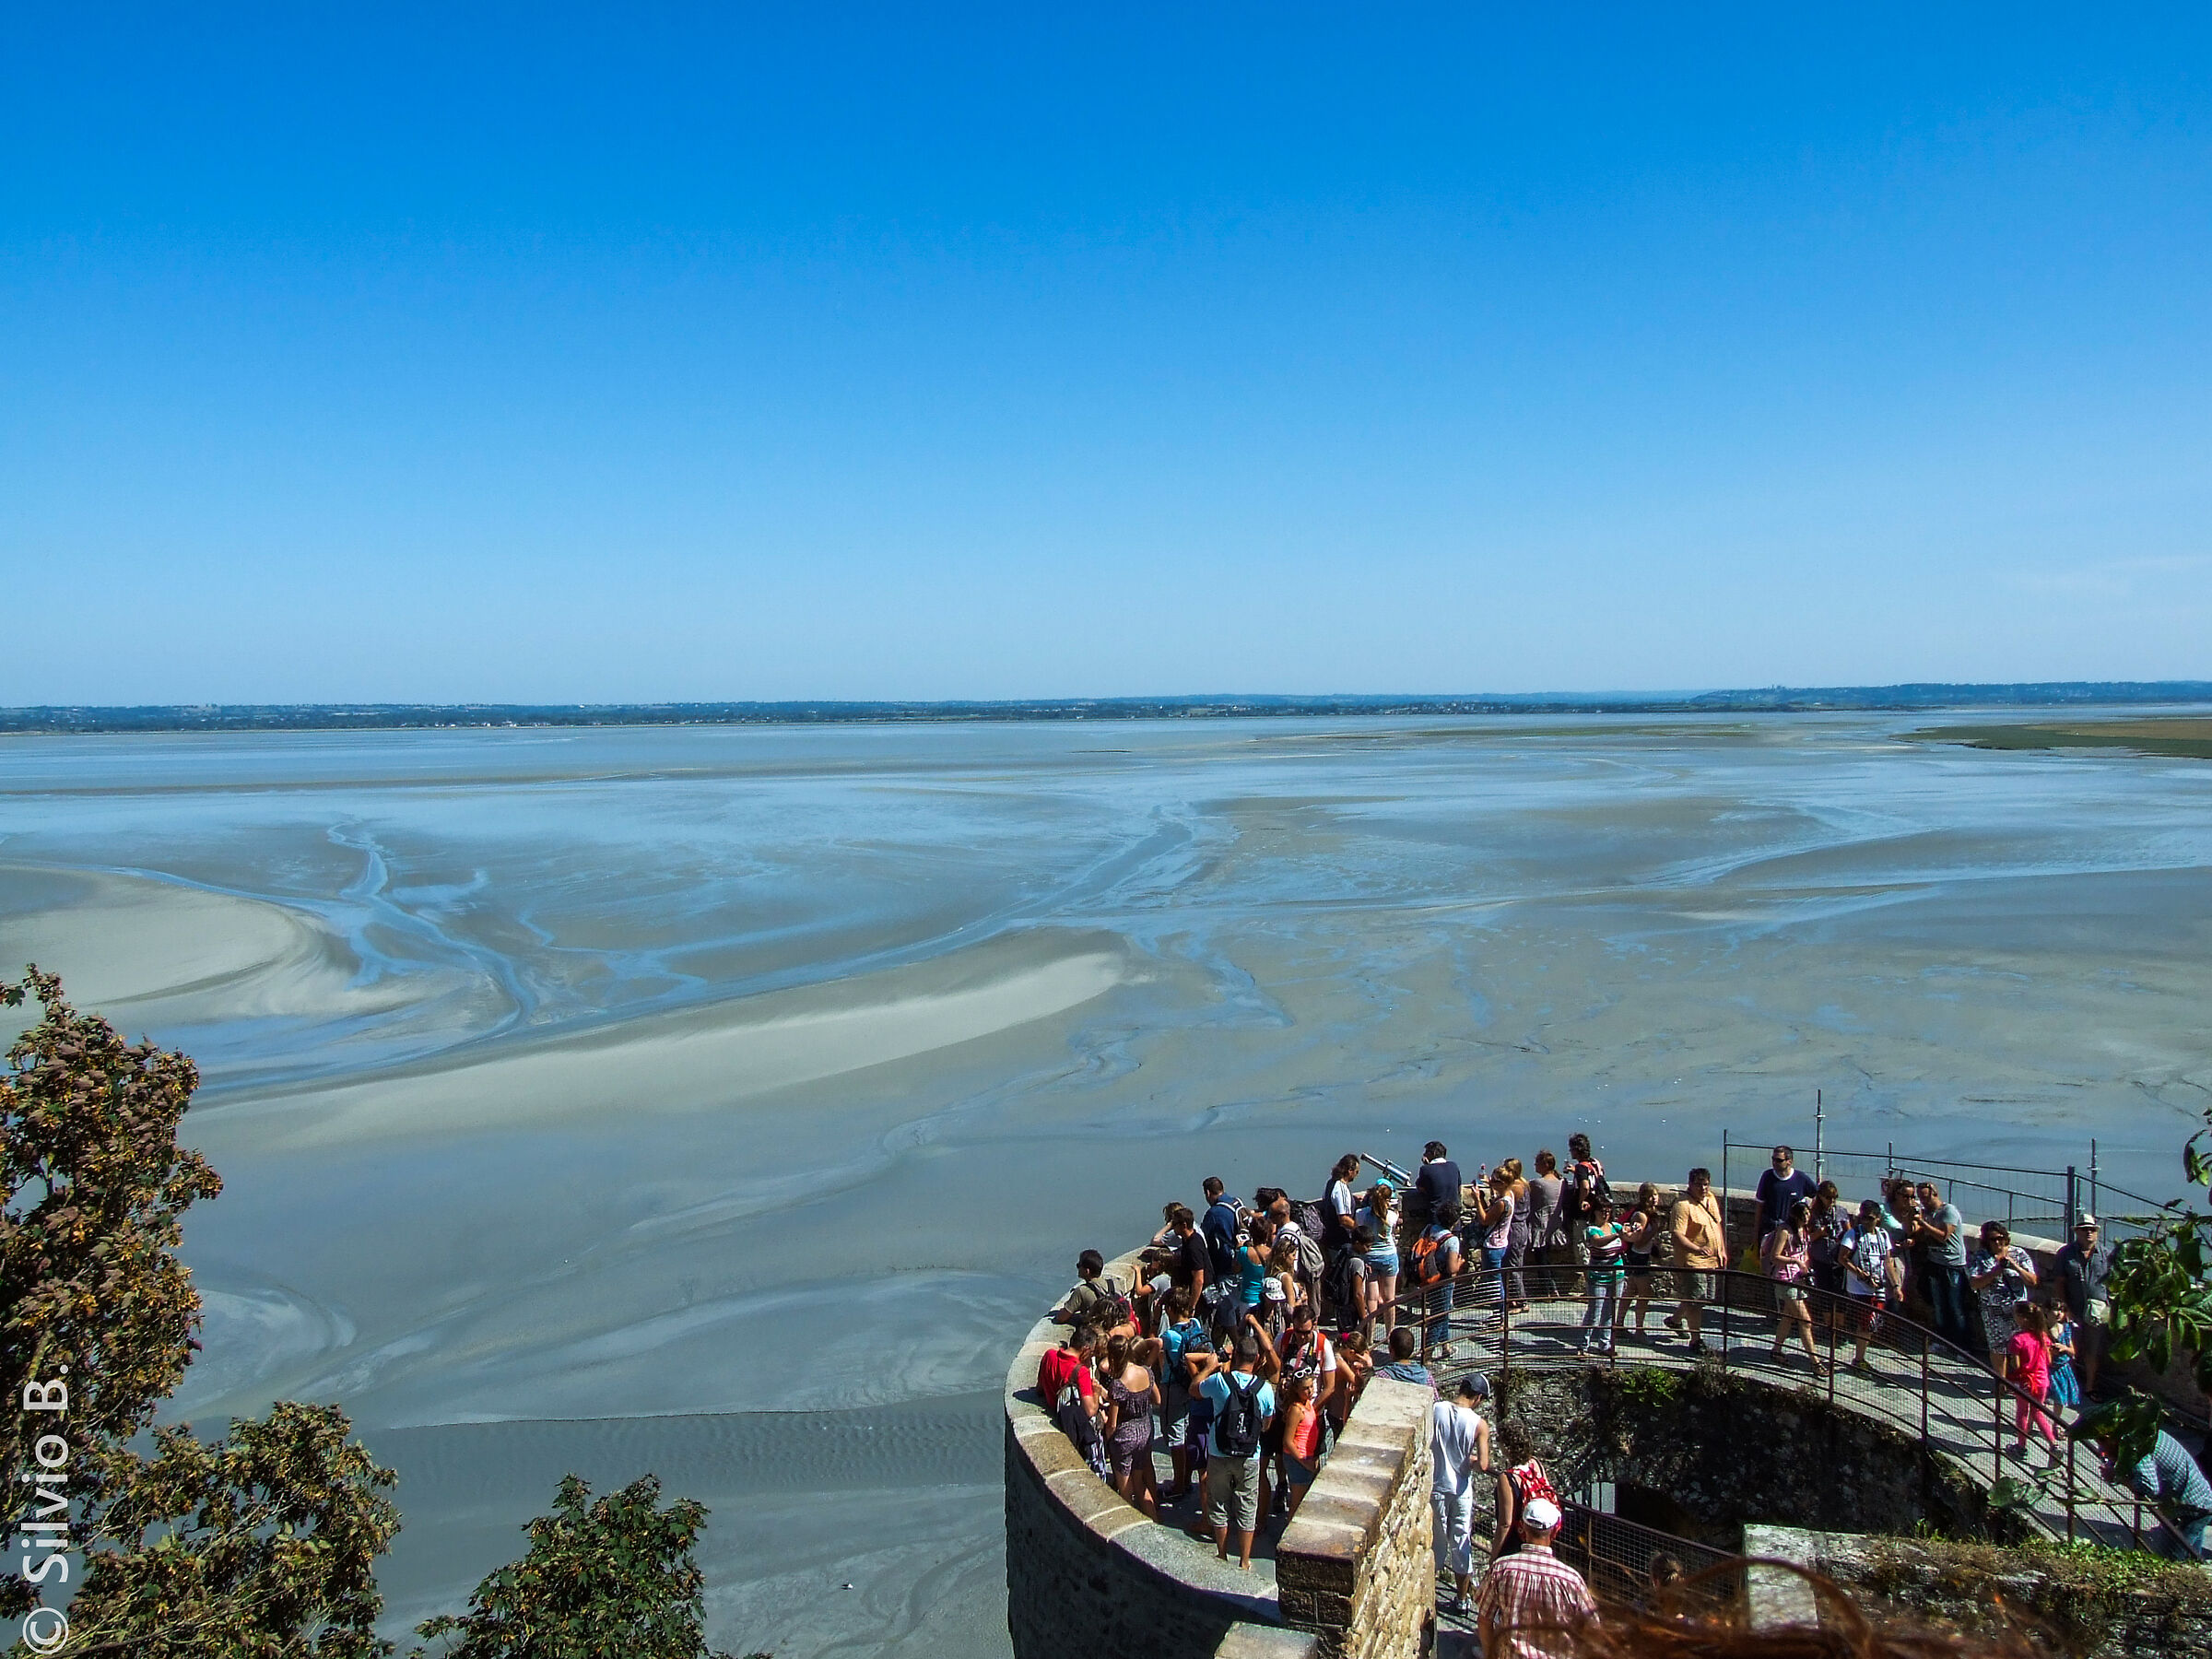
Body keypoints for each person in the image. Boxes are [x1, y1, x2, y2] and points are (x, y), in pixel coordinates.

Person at [1472, 1496, 1599, 1659]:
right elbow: (1594, 1629)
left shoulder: (1501, 1569)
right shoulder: (1571, 1580)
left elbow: (1484, 1620)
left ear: (1522, 1527)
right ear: (1555, 1530)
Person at [2083, 1411, 2212, 1560]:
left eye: (2101, 1443)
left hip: (2191, 1509)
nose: (2102, 1451)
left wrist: (2118, 1477)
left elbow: (2150, 1487)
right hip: (2194, 1502)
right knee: (2192, 1559)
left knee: (2172, 1561)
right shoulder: (2138, 1432)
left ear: (2110, 1437)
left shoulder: (2137, 1446)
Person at [1197, 1335, 1277, 1570]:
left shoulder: (1219, 1382)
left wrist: (1209, 1368)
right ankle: (1244, 1560)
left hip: (1219, 1452)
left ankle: (1222, 1555)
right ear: (1257, 1359)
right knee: (1247, 1507)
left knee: (1219, 1504)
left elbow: (1194, 1389)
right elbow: (1267, 1424)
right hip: (1250, 1455)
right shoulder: (1265, 1389)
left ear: (1236, 1356)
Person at [1430, 1373, 1492, 1616]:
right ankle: (1462, 1600)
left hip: (1437, 1485)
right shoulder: (1479, 1424)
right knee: (1461, 1541)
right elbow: (1484, 1465)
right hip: (1461, 1489)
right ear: (1478, 1398)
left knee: (1436, 1542)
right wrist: (1470, 1460)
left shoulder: (1437, 1409)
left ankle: (1428, 1593)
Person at [1761, 1197, 1827, 1373]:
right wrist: (1795, 1262)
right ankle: (1815, 1362)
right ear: (1795, 1215)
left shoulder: (1802, 1230)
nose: (1807, 1217)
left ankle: (1776, 1350)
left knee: (1788, 1317)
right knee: (1805, 1321)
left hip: (1798, 1279)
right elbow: (1775, 1256)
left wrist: (1805, 1266)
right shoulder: (1784, 1231)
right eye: (1803, 1215)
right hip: (1785, 1280)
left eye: (1808, 1214)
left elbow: (1803, 1251)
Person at [1158, 1288, 1210, 1500]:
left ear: (1171, 1309)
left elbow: (1159, 1357)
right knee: (1187, 1432)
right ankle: (1186, 1479)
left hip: (1174, 1389)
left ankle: (1178, 1485)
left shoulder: (1169, 1336)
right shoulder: (1195, 1324)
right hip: (1193, 1385)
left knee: (1175, 1437)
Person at [1102, 1332, 1163, 1514]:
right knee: (1140, 1484)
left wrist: (1107, 1439)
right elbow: (1157, 1400)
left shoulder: (1118, 1384)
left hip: (1125, 1437)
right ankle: (1155, 1520)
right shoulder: (1146, 1372)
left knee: (1126, 1491)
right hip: (1145, 1430)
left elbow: (1112, 1424)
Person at [2053, 1213, 2112, 1396]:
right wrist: (2064, 1308)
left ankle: (2089, 1387)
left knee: (2092, 1351)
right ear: (2077, 1232)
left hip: (2097, 1312)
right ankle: (2068, 1385)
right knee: (2069, 1348)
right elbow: (2060, 1282)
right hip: (2073, 1309)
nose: (2089, 1233)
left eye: (2092, 1229)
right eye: (2085, 1229)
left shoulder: (2106, 1255)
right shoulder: (2065, 1254)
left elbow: (2114, 1282)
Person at [1670, 1168, 1725, 1357]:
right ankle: (1695, 1340)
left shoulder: (1710, 1199)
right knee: (1696, 1301)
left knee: (1704, 1297)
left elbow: (1717, 1224)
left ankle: (1675, 1320)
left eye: (1706, 1184)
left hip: (1711, 1260)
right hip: (1693, 1261)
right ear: (1690, 1184)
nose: (1703, 1188)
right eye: (1699, 1184)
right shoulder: (1682, 1205)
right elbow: (1677, 1235)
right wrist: (1696, 1249)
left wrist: (1722, 1249)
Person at [1911, 1182, 1971, 1350]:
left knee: (1956, 1307)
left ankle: (1962, 1346)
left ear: (1934, 1193)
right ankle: (1942, 1340)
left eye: (1925, 1197)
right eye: (1920, 1198)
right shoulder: (1926, 1213)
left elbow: (1944, 1236)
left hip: (1952, 1265)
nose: (1923, 1201)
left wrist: (1923, 1223)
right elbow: (1916, 1233)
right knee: (1939, 1306)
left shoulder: (1948, 1211)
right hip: (1935, 1263)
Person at [1996, 1302, 2058, 1464]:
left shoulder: (2017, 1339)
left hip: (2026, 1382)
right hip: (2042, 1381)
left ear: (2022, 1318)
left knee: (2022, 1413)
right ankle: (2053, 1444)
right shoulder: (2043, 1337)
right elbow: (2049, 1360)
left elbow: (2016, 1365)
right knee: (2038, 1413)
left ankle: (2021, 1446)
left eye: (2016, 1315)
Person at [1970, 1220, 2039, 1359]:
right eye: (1992, 1239)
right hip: (1994, 1312)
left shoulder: (2018, 1254)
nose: (1997, 1242)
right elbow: (1974, 1283)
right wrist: (1995, 1272)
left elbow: (2033, 1281)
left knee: (2022, 1346)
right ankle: (1999, 1374)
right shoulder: (1980, 1257)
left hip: (2019, 1311)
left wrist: (2015, 1267)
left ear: (2005, 1237)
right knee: (1998, 1350)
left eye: (2000, 1238)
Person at [1408, 1199, 1464, 1357]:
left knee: (1442, 1313)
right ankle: (1427, 1355)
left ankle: (1446, 1347)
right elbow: (1452, 1268)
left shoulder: (1428, 1229)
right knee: (1438, 1318)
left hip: (1427, 1280)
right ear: (1455, 1221)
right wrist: (1460, 1263)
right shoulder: (1452, 1240)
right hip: (1443, 1283)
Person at [1841, 1198, 1889, 1375]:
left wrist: (1896, 1285)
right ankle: (1858, 1360)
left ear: (1878, 1218)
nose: (1866, 1221)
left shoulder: (1883, 1235)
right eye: (1863, 1217)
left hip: (1878, 1287)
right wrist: (1861, 1274)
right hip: (1859, 1288)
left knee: (1871, 1324)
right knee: (1866, 1323)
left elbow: (1887, 1261)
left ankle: (1860, 1357)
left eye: (1869, 1218)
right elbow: (1843, 1258)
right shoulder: (1853, 1234)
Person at [1580, 1195, 1630, 1357]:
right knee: (1594, 1313)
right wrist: (1618, 1235)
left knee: (1610, 1312)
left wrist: (1636, 1230)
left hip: (1617, 1275)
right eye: (1602, 1211)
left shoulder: (1615, 1226)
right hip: (1598, 1277)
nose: (1606, 1214)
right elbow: (1598, 1242)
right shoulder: (1591, 1229)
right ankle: (1583, 1345)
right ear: (1595, 1212)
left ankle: (1605, 1344)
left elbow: (1631, 1238)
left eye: (1608, 1211)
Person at [1617, 1182, 1665, 1340]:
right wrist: (1654, 1230)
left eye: (1655, 1195)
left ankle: (1619, 1325)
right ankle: (1639, 1330)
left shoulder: (1648, 1214)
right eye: (1650, 1196)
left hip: (1639, 1256)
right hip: (1637, 1257)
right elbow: (1638, 1241)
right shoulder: (1641, 1216)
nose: (1654, 1198)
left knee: (1630, 1292)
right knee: (1644, 1294)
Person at [1561, 1134, 1608, 1285]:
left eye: (1571, 1149)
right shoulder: (1595, 1163)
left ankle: (1591, 1285)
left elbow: (1586, 1186)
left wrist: (1581, 1201)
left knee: (1582, 1246)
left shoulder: (1581, 1167)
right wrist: (1575, 1170)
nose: (1570, 1152)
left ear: (1577, 1150)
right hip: (1597, 1211)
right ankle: (1600, 1282)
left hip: (1584, 1214)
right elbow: (1594, 1178)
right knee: (1597, 1246)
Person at [1277, 1371, 1324, 1518]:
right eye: (1305, 1388)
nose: (1310, 1391)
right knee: (1297, 1505)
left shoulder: (1308, 1404)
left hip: (1307, 1457)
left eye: (1311, 1386)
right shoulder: (1296, 1410)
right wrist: (1304, 1462)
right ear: (1296, 1390)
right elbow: (1288, 1441)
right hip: (1297, 1459)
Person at [1473, 1167, 1516, 1321]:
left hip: (1493, 1246)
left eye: (1495, 1180)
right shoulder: (1509, 1195)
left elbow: (1485, 1220)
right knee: (1497, 1281)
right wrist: (1490, 1185)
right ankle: (1499, 1315)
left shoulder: (1502, 1203)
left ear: (1503, 1183)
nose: (1491, 1181)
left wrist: (1477, 1200)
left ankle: (1499, 1316)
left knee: (1494, 1284)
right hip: (1501, 1243)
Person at [1357, 1182, 1401, 1330]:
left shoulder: (1361, 1214)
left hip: (1369, 1257)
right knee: (1390, 1298)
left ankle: (1370, 1335)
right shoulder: (1392, 1216)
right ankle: (1390, 1334)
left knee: (1371, 1298)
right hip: (1389, 1256)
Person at [1753, 1146, 1817, 1245]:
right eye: (1773, 1159)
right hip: (1770, 1228)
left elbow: (1817, 1195)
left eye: (1779, 1160)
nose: (1774, 1163)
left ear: (1789, 1162)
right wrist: (1756, 1232)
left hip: (1792, 1231)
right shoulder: (1767, 1177)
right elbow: (1760, 1204)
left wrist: (1808, 1215)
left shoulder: (1801, 1178)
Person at [1527, 1150, 1567, 1301]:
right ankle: (1552, 1289)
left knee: (1541, 1260)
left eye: (1537, 1162)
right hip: (1555, 1225)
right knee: (1546, 1259)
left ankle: (1548, 1291)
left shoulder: (1538, 1184)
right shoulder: (1561, 1182)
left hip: (1541, 1225)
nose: (1535, 1165)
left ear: (1546, 1165)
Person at [1053, 1249, 1125, 1329]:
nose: (1077, 1267)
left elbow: (1061, 1318)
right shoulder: (1116, 1283)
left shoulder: (1082, 1291)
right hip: (1121, 1328)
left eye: (1079, 1265)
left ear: (1087, 1271)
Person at [1502, 1157, 1535, 1312]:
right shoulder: (1524, 1184)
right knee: (1514, 1265)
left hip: (1515, 1228)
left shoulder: (1515, 1187)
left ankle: (1522, 1301)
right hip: (1522, 1227)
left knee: (1514, 1267)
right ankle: (1513, 1299)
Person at [1202, 1177, 1242, 1290]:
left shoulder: (1214, 1213)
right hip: (1242, 1260)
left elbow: (1203, 1237)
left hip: (1226, 1266)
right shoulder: (1237, 1203)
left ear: (1208, 1193)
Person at [1374, 1323, 1436, 1389]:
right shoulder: (1427, 1376)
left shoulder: (1382, 1377)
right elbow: (1435, 1395)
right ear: (1412, 1350)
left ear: (1391, 1349)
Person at [2047, 1298, 2082, 1409]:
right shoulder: (2043, 1330)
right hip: (2049, 1369)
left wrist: (2064, 1348)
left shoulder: (2065, 1329)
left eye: (2062, 1310)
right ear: (2046, 1311)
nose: (2059, 1313)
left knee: (2060, 1399)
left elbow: (2072, 1352)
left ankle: (2055, 1419)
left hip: (2062, 1369)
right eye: (2056, 1310)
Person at [1323, 1154, 1362, 1251]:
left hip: (1330, 1237)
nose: (1357, 1175)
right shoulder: (1341, 1188)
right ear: (1350, 1171)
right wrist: (1360, 1230)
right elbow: (1344, 1219)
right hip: (1341, 1241)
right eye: (1356, 1172)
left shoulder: (1330, 1183)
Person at [1418, 1141, 1462, 1222]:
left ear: (1433, 1153)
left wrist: (1427, 1165)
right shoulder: (1454, 1166)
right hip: (1455, 1215)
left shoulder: (1425, 1169)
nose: (1424, 1155)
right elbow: (1459, 1187)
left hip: (1436, 1216)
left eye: (1426, 1152)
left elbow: (1421, 1188)